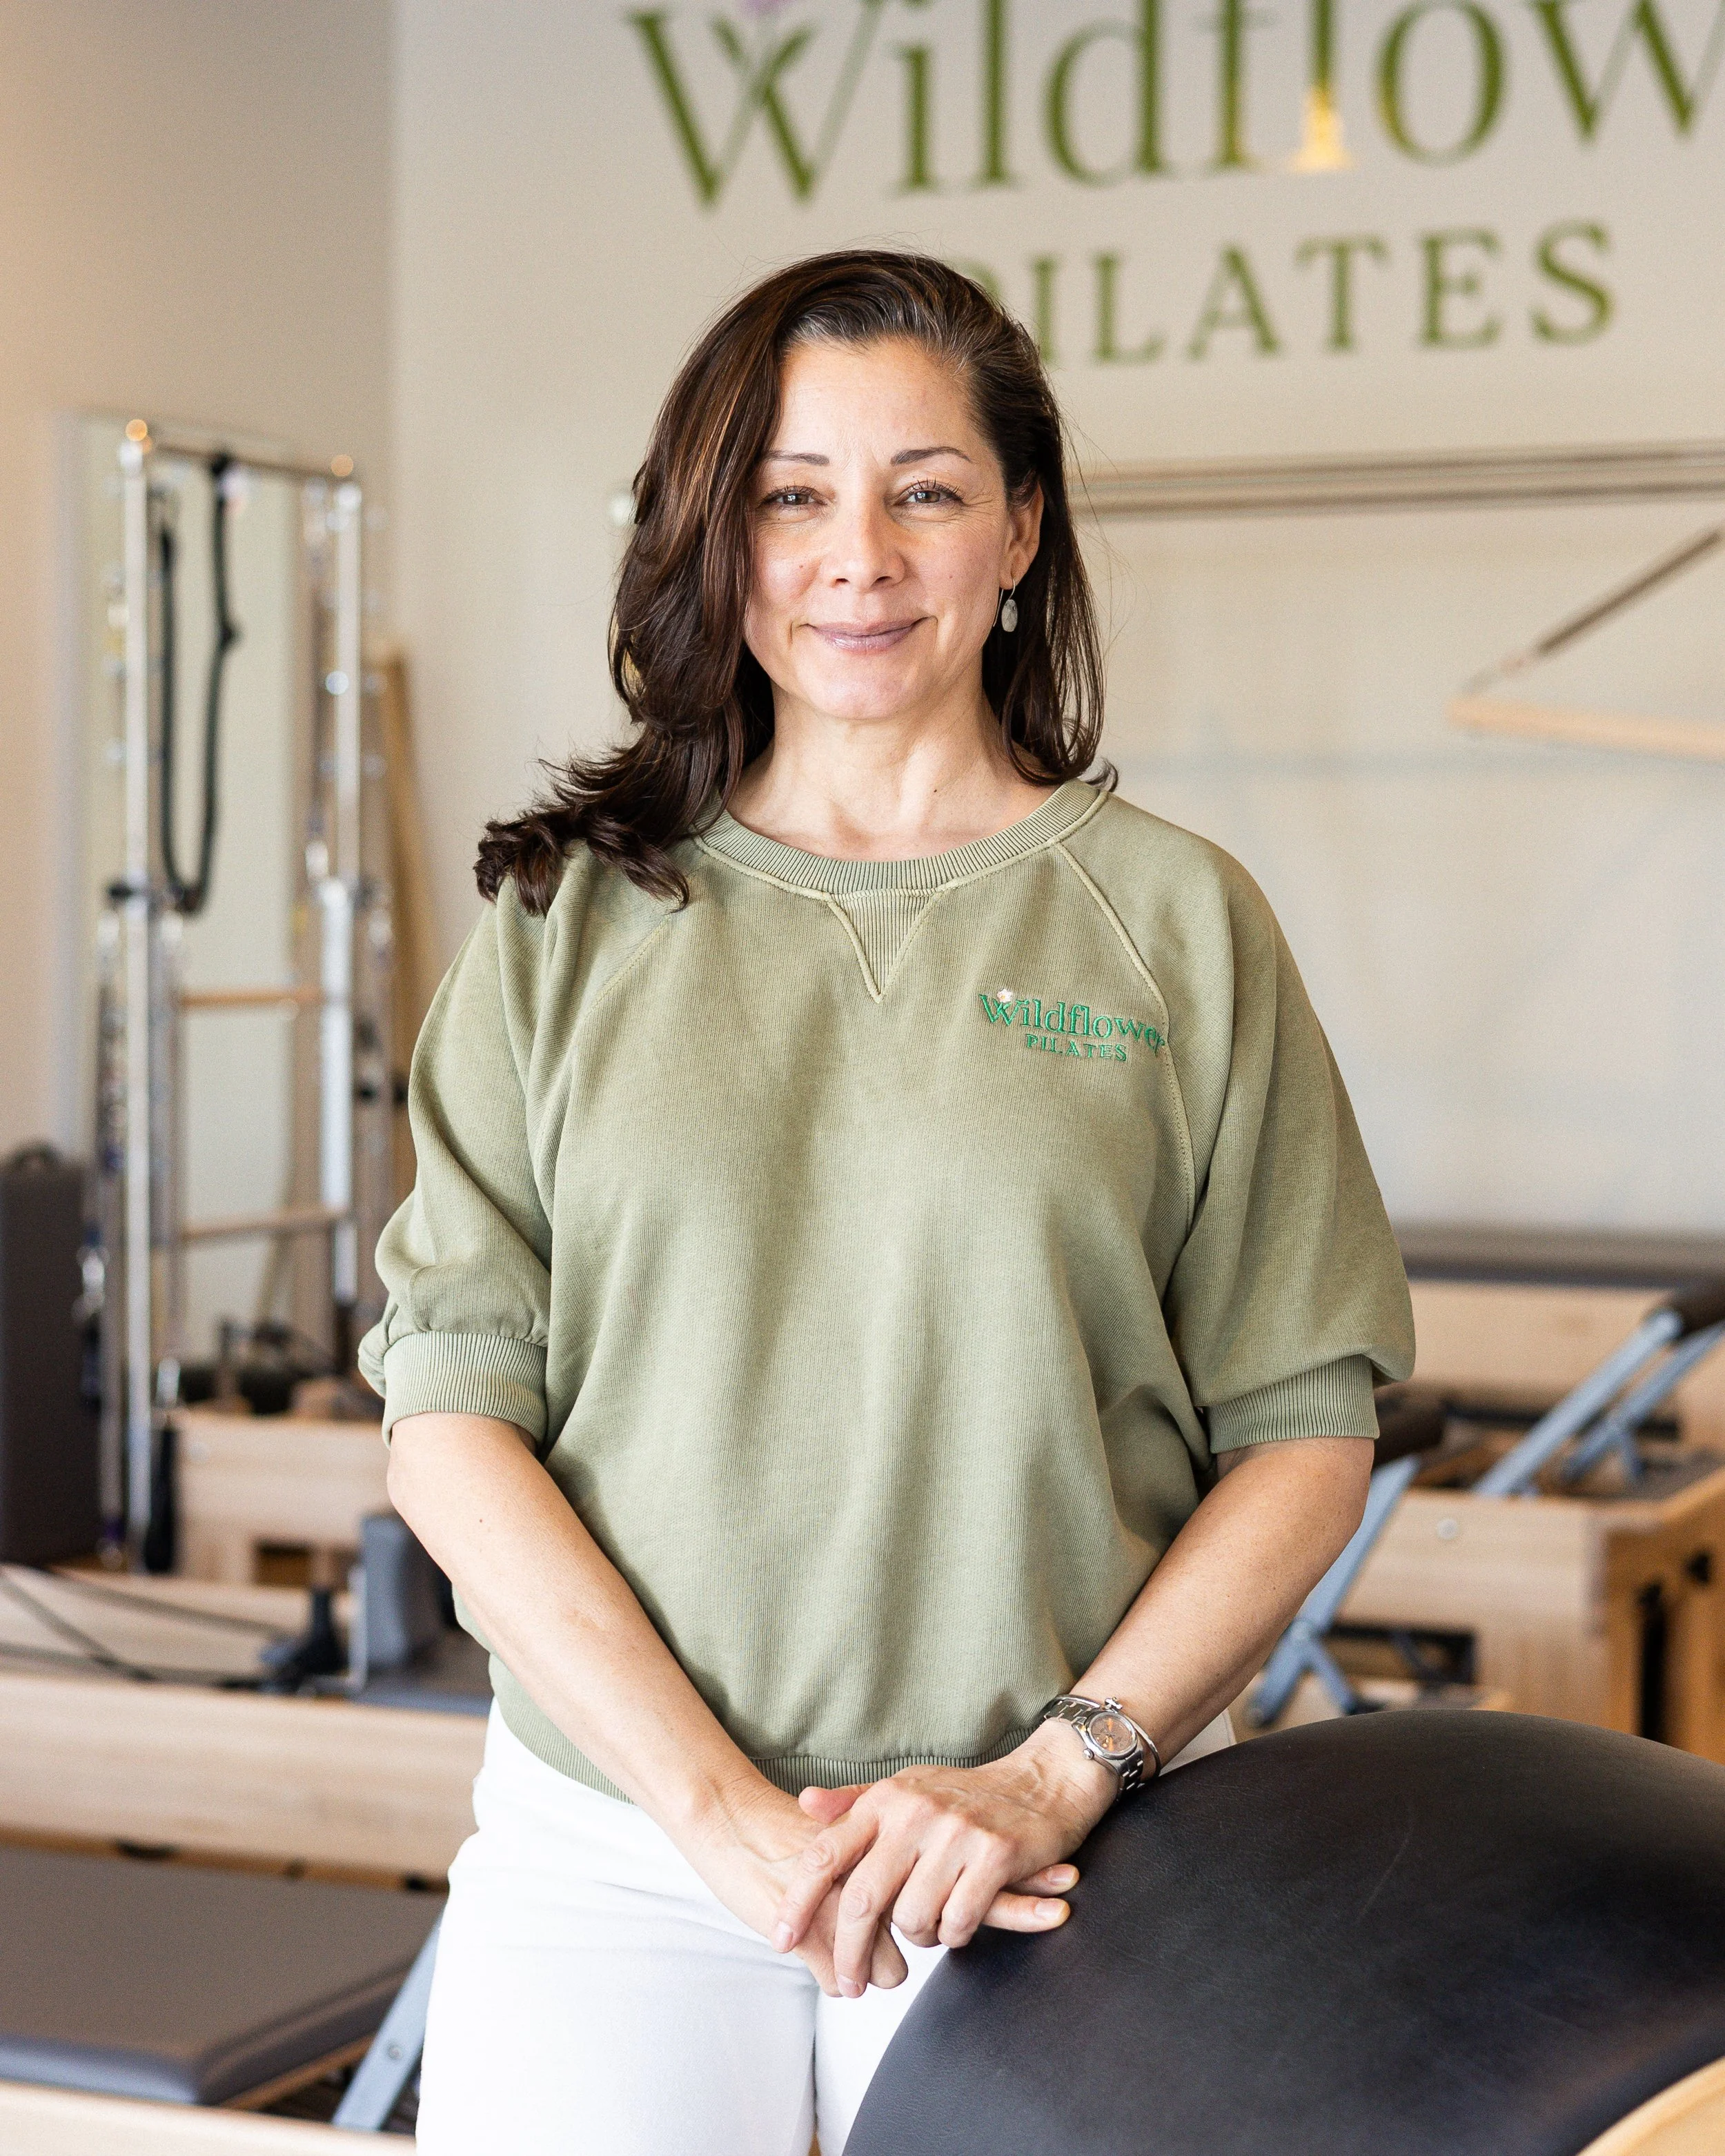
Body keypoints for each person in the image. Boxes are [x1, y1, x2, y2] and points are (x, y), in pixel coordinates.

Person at [361, 249, 1415, 2155]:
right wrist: (714, 1813)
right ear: (712, 534)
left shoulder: (1175, 920)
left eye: (923, 488)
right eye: (789, 494)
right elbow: (447, 1419)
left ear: (1018, 527)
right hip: (619, 1857)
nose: (857, 554)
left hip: (1052, 1866)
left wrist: (1054, 1771)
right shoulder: (562, 924)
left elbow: (1301, 1431)